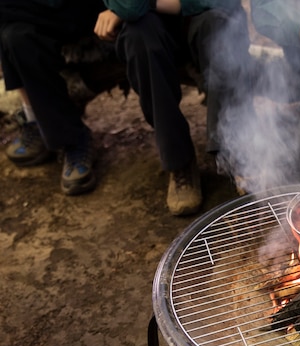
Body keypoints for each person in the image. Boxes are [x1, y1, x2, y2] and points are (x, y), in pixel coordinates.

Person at [94, 0, 252, 216]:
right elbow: (129, 8)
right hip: (155, 26)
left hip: (208, 16)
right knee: (139, 35)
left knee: (221, 24)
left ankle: (236, 148)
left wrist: (142, 4)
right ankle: (179, 162)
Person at [0, 0, 106, 195]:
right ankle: (51, 127)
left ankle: (73, 140)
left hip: (88, 11)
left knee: (6, 15)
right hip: (42, 12)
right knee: (14, 36)